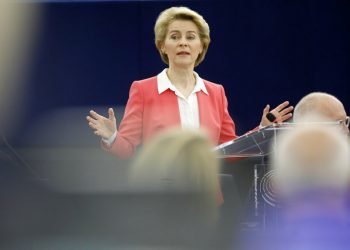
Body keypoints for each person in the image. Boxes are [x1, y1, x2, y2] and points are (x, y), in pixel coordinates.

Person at [86, 6, 293, 158]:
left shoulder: (216, 92)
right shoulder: (143, 90)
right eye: (175, 37)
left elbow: (230, 151)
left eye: (191, 37)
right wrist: (112, 136)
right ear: (163, 46)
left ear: (201, 46)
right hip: (159, 199)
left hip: (207, 199)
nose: (183, 42)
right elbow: (128, 150)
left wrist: (262, 129)